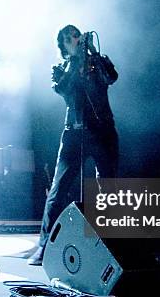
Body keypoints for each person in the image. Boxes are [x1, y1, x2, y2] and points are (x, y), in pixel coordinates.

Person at [28, 25, 119, 266]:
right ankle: (44, 245)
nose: (74, 40)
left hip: (103, 131)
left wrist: (94, 55)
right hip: (75, 134)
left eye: (76, 36)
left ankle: (110, 242)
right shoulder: (60, 69)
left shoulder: (97, 62)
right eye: (68, 39)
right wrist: (75, 61)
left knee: (108, 186)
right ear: (63, 46)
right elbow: (63, 90)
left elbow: (112, 78)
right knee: (59, 190)